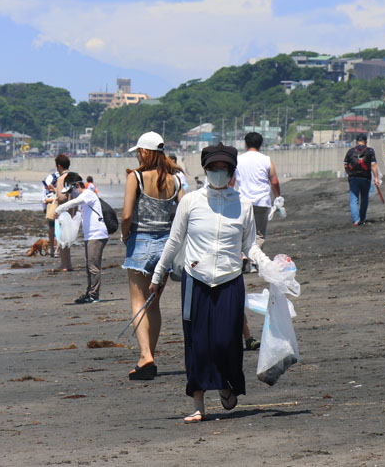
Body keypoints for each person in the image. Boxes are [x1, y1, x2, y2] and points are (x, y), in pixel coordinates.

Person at [149, 144, 273, 422]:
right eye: (214, 168)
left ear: (231, 172)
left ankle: (227, 383)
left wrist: (267, 266)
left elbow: (250, 245)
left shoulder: (242, 205)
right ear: (205, 170)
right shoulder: (190, 202)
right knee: (197, 343)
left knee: (226, 340)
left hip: (230, 280)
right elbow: (174, 241)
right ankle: (198, 403)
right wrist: (158, 276)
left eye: (224, 169)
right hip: (196, 280)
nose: (219, 173)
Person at [120, 131, 183, 380]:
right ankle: (150, 355)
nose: (137, 155)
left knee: (138, 302)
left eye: (138, 151)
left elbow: (126, 216)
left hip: (141, 241)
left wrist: (126, 237)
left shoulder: (134, 177)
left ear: (145, 152)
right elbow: (183, 213)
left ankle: (145, 354)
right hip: (166, 245)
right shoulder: (175, 180)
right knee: (153, 303)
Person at [56, 172, 109, 304]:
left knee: (93, 266)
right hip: (90, 235)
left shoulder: (88, 194)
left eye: (71, 191)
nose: (71, 194)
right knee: (89, 264)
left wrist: (60, 208)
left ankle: (94, 295)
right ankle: (89, 292)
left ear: (78, 185)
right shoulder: (83, 199)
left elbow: (75, 202)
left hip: (97, 235)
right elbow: (78, 217)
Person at [235, 132, 282, 273]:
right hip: (262, 201)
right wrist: (278, 197)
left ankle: (243, 257)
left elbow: (231, 181)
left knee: (243, 232)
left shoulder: (238, 160)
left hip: (243, 202)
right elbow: (274, 181)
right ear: (260, 144)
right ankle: (254, 263)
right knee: (259, 234)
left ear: (245, 143)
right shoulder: (266, 160)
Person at [343, 133, 381, 226]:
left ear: (356, 141)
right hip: (365, 178)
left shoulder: (351, 151)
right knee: (364, 198)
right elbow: (373, 165)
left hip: (353, 178)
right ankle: (362, 218)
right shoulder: (370, 150)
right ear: (365, 141)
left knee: (354, 199)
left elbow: (345, 164)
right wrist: (376, 178)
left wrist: (349, 173)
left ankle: (356, 220)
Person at [42, 157, 69, 258]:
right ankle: (57, 249)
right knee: (61, 227)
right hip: (64, 204)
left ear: (58, 166)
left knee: (52, 227)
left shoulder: (51, 177)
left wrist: (44, 205)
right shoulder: (68, 177)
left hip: (53, 204)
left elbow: (44, 193)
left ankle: (53, 249)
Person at [51, 154, 73, 270]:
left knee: (62, 239)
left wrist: (56, 199)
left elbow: (62, 197)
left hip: (63, 211)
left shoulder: (61, 178)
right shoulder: (74, 176)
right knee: (68, 239)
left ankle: (64, 265)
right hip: (73, 212)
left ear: (59, 166)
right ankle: (68, 264)